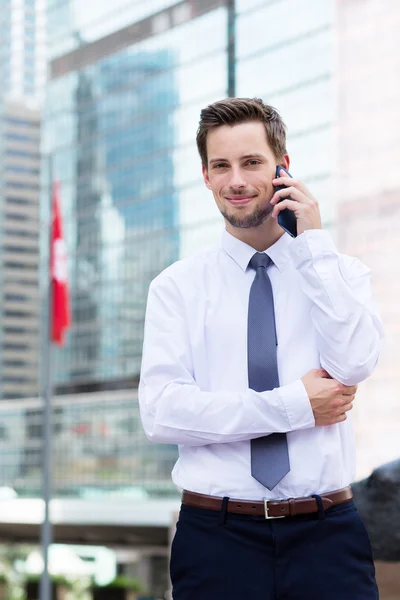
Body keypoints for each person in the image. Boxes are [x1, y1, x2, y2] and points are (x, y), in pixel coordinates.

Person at [138, 97, 383, 600]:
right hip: (215, 537)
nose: (236, 180)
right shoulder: (175, 288)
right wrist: (295, 405)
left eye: (251, 162)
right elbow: (163, 413)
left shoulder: (340, 272)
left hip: (327, 533)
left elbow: (355, 362)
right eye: (221, 166)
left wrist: (312, 244)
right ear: (205, 176)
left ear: (282, 168)